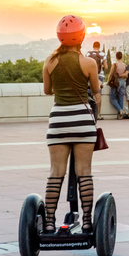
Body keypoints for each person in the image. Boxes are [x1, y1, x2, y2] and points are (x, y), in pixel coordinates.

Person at [41, 15, 100, 233]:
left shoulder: (50, 61)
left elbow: (48, 91)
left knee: (56, 172)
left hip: (58, 121)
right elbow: (95, 89)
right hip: (82, 121)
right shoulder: (89, 63)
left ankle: (48, 223)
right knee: (84, 172)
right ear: (82, 36)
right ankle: (86, 221)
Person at [85, 41, 108, 120]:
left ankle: (89, 114)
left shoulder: (88, 54)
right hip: (99, 75)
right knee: (98, 94)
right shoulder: (102, 54)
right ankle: (98, 114)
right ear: (99, 46)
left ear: (93, 46)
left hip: (89, 75)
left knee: (88, 94)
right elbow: (106, 66)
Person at [108, 51, 129, 120]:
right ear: (121, 57)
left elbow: (112, 74)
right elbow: (126, 75)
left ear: (116, 57)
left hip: (116, 82)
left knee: (112, 99)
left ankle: (120, 111)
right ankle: (120, 115)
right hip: (123, 82)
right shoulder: (124, 65)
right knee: (121, 98)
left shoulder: (115, 65)